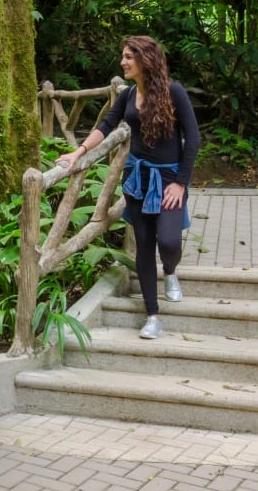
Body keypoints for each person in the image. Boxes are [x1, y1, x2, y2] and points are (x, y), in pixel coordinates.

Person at [56, 36, 200, 340]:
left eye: (127, 57)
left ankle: (171, 272)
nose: (123, 62)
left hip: (169, 180)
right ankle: (152, 315)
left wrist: (180, 183)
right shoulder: (128, 94)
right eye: (123, 57)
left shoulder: (174, 92)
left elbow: (194, 139)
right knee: (145, 246)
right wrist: (78, 152)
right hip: (137, 179)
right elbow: (106, 125)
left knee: (170, 241)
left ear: (145, 59)